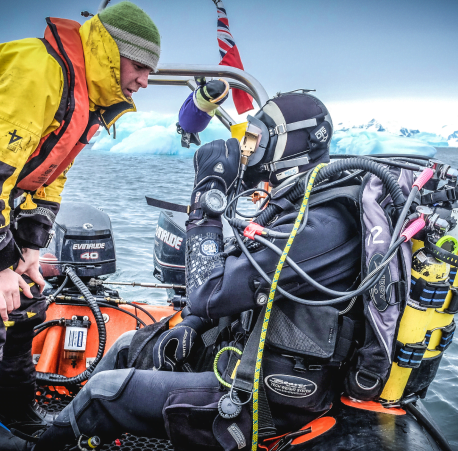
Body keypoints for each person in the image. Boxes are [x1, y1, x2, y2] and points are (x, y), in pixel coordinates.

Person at [35, 92, 365, 450]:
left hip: (271, 397)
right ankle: (61, 426)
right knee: (129, 345)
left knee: (104, 392)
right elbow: (238, 282)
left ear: (288, 145)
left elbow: (208, 293)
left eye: (255, 140)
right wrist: (193, 326)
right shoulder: (298, 207)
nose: (247, 149)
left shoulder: (319, 226)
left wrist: (207, 197)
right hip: (246, 362)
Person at [0, 2, 160, 450]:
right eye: (139, 66)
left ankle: (10, 408)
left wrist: (30, 249)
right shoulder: (38, 71)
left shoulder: (87, 98)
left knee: (28, 297)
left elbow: (51, 176)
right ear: (111, 52)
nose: (144, 81)